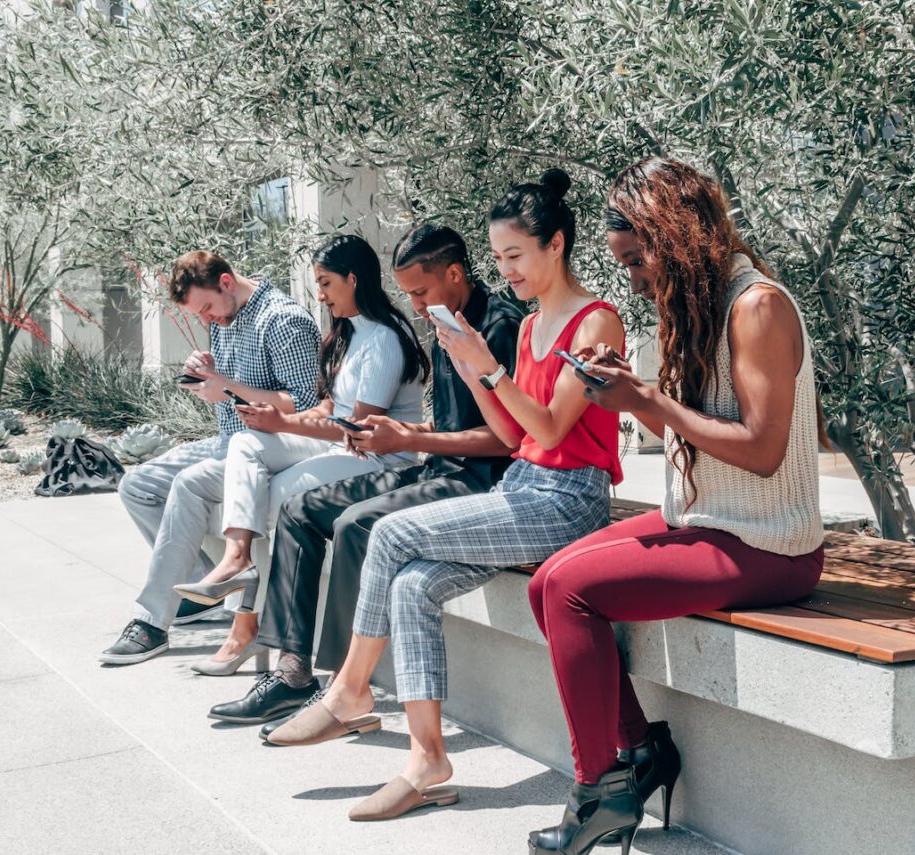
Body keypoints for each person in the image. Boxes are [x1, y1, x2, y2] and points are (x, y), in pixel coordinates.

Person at [266, 169, 627, 824]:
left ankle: (348, 690)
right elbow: (515, 433)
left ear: (557, 245)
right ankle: (426, 760)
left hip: (570, 499)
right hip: (527, 487)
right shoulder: (532, 324)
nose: (506, 270)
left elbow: (549, 428)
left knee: (389, 533)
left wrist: (484, 367)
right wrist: (472, 364)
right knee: (410, 586)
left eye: (515, 256)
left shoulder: (596, 322)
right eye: (501, 258)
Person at [525, 156, 826, 855]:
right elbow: (686, 434)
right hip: (707, 521)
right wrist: (629, 396)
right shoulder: (689, 306)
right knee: (546, 583)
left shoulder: (758, 306)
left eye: (636, 258)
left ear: (674, 237)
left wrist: (650, 400)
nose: (630, 276)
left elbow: (763, 449)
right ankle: (640, 751)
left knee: (570, 589)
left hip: (769, 543)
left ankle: (600, 790)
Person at [205, 223, 523, 724]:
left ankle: (341, 689)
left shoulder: (500, 327)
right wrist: (406, 431)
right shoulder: (445, 322)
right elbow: (448, 424)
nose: (415, 305)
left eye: (420, 292)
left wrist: (407, 438)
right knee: (300, 509)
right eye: (409, 295)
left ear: (455, 273)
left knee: (355, 525)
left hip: (478, 481)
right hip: (436, 464)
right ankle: (292, 673)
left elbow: (508, 440)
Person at [171, 234, 431, 680]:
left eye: (326, 283)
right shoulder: (348, 333)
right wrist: (274, 418)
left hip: (377, 460)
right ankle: (237, 560)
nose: (321, 295)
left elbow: (361, 430)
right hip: (337, 444)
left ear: (353, 279)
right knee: (244, 443)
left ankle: (251, 624)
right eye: (318, 283)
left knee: (273, 498)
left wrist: (283, 423)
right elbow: (330, 410)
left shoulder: (385, 339)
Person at [100, 251, 320, 665]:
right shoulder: (225, 316)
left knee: (189, 484)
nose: (207, 321)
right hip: (226, 441)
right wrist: (207, 370)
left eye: (206, 309)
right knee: (136, 485)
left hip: (271, 450)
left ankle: (151, 621)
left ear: (225, 282)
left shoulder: (283, 320)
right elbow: (235, 380)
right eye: (199, 316)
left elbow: (306, 405)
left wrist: (230, 389)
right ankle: (201, 591)